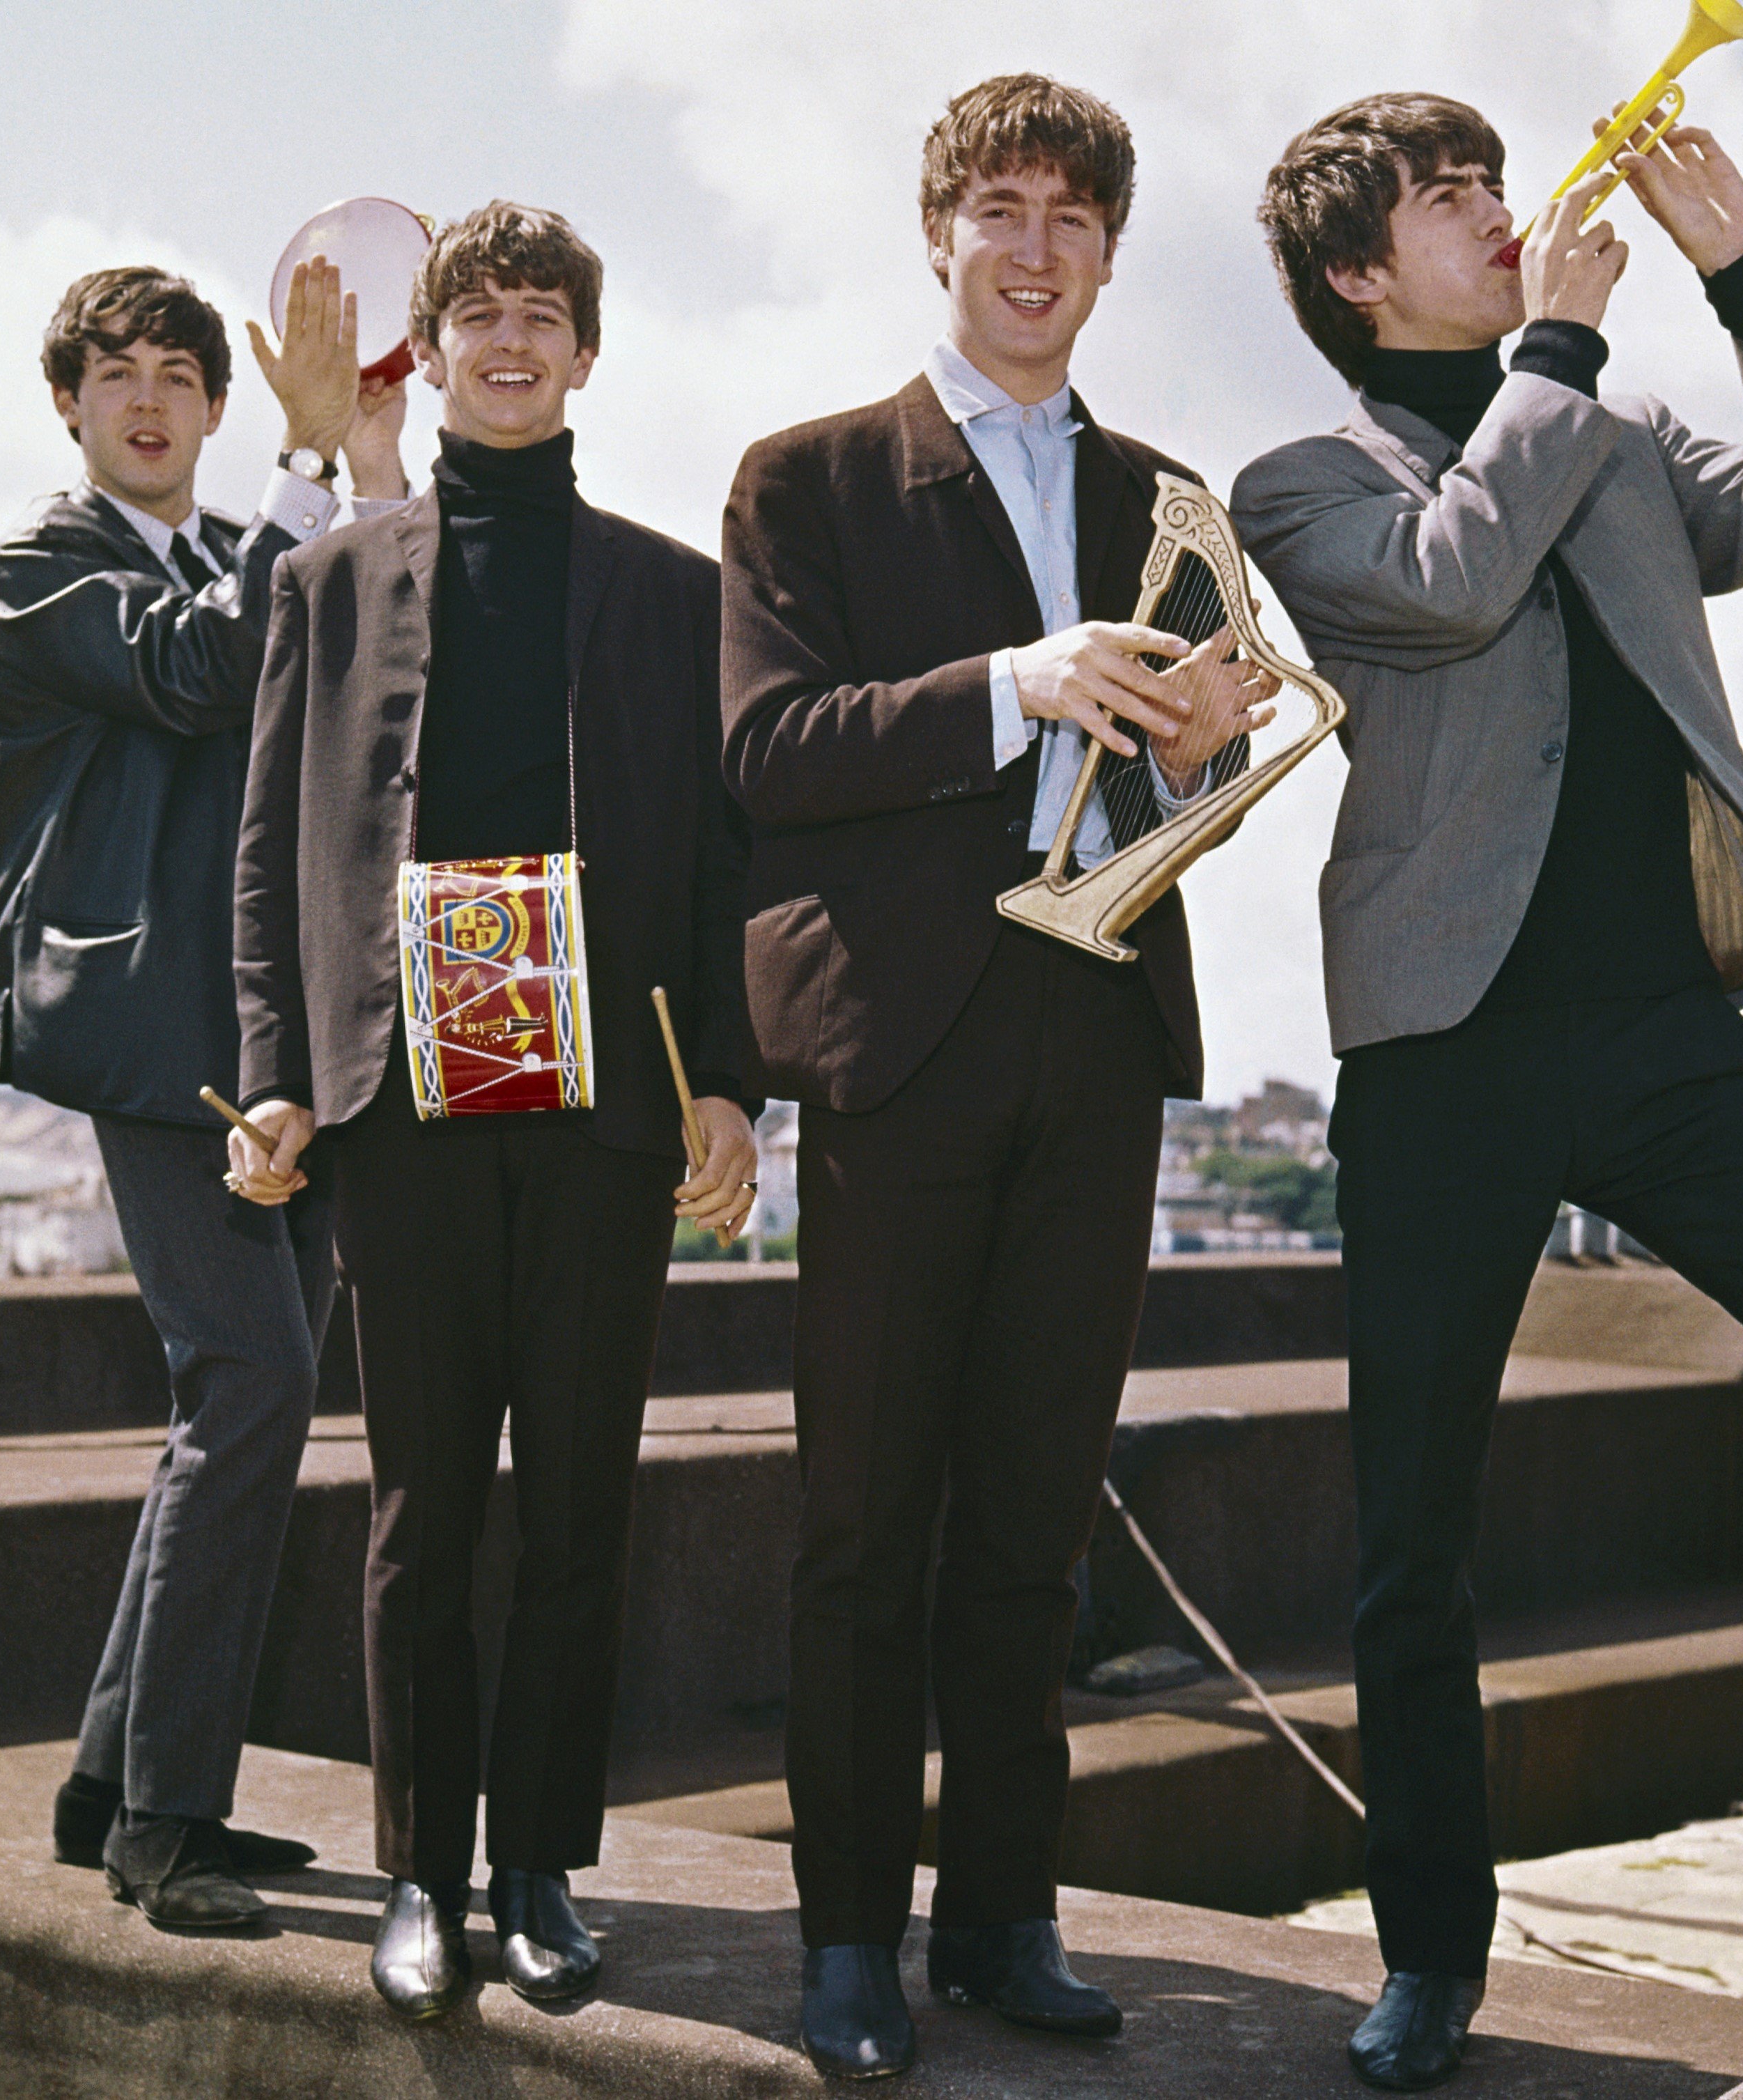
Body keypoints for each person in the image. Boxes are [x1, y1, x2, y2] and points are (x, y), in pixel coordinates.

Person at [1232, 95, 1743, 2090]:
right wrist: (1558, 352)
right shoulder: (1296, 478)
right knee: (1412, 1527)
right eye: (1444, 200)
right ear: (1353, 274)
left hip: (1661, 1035)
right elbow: (1445, 579)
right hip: (1439, 1050)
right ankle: (1427, 1948)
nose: (1498, 215)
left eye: (1495, 184)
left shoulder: (1620, 432)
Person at [722, 74, 1273, 2080]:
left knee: (1035, 1516)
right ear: (937, 231)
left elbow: (1194, 786)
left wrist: (1206, 743)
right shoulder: (803, 480)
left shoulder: (1162, 491)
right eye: (998, 208)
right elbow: (767, 752)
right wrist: (1003, 688)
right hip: (904, 1042)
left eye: (1068, 215)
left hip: (1096, 1030)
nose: (1032, 244)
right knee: (863, 1519)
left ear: (1111, 251)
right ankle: (848, 1934)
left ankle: (1003, 1919)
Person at [229, 200, 757, 2022]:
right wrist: (280, 1065)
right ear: (430, 349)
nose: (512, 342)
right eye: (481, 315)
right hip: (404, 1093)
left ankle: (537, 1871)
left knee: (580, 1506)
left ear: (584, 355)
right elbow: (265, 853)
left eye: (544, 316)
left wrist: (734, 1090)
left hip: (603, 1095)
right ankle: (416, 1877)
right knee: (420, 1507)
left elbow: (719, 862)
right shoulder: (324, 581)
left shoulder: (678, 592)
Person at [0, 260, 405, 1931]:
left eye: (176, 372)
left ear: (213, 407)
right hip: (148, 1031)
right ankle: (167, 1821)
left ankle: (106, 1786)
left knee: (232, 1403)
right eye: (114, 373)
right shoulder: (40, 563)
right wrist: (305, 471)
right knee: (251, 1381)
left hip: (277, 1038)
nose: (147, 396)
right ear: (70, 404)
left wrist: (369, 460)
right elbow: (189, 670)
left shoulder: (262, 543)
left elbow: (389, 658)